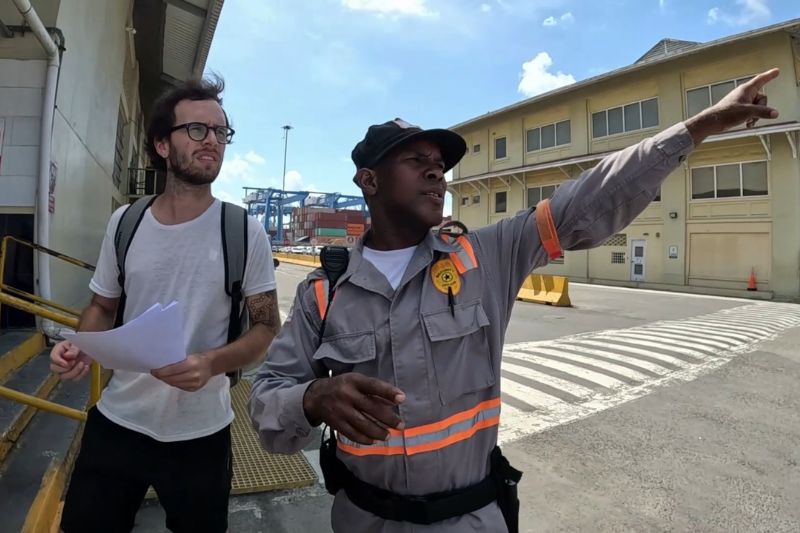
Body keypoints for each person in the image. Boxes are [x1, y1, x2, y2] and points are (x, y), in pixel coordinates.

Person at [249, 69, 781, 532]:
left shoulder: (485, 256)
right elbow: (266, 408)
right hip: (364, 522)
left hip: (472, 521)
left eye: (440, 163)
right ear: (369, 181)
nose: (438, 172)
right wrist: (312, 398)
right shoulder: (326, 292)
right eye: (416, 161)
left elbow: (589, 197)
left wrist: (698, 128)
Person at [50, 76, 281, 533]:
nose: (212, 141)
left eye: (221, 132)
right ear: (161, 144)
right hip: (118, 422)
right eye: (198, 130)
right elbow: (101, 305)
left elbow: (266, 328)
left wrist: (211, 363)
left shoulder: (243, 231)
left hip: (201, 435)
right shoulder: (126, 222)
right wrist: (81, 344)